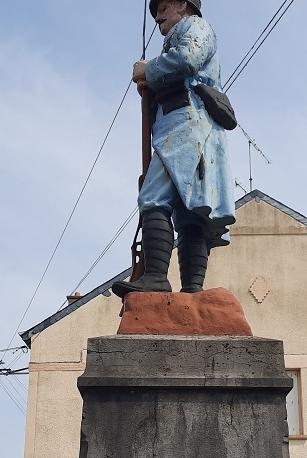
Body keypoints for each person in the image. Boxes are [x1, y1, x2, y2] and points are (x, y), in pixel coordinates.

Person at [112, 0, 235, 297]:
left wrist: (148, 69)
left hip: (186, 127)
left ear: (183, 5)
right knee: (188, 213)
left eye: (165, 5)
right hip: (182, 127)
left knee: (154, 197)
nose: (158, 14)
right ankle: (193, 291)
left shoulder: (195, 26)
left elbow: (188, 59)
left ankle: (155, 277)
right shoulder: (177, 37)